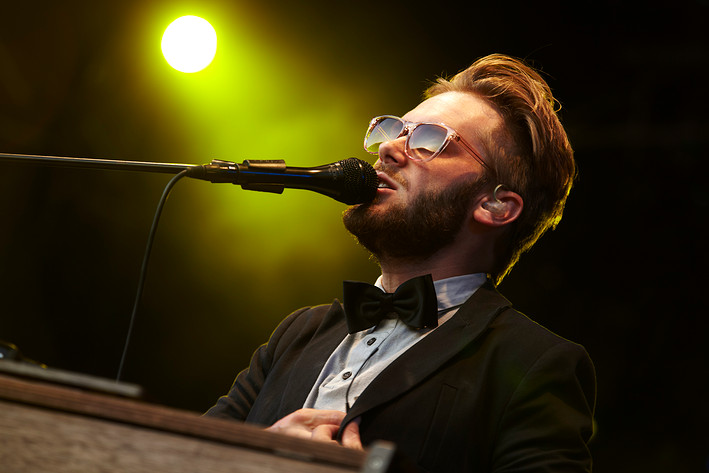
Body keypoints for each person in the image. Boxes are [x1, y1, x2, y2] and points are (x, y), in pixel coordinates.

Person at [205, 54, 596, 472]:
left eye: (429, 140)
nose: (389, 148)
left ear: (496, 205)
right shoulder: (297, 333)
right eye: (394, 130)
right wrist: (253, 455)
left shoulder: (535, 363)